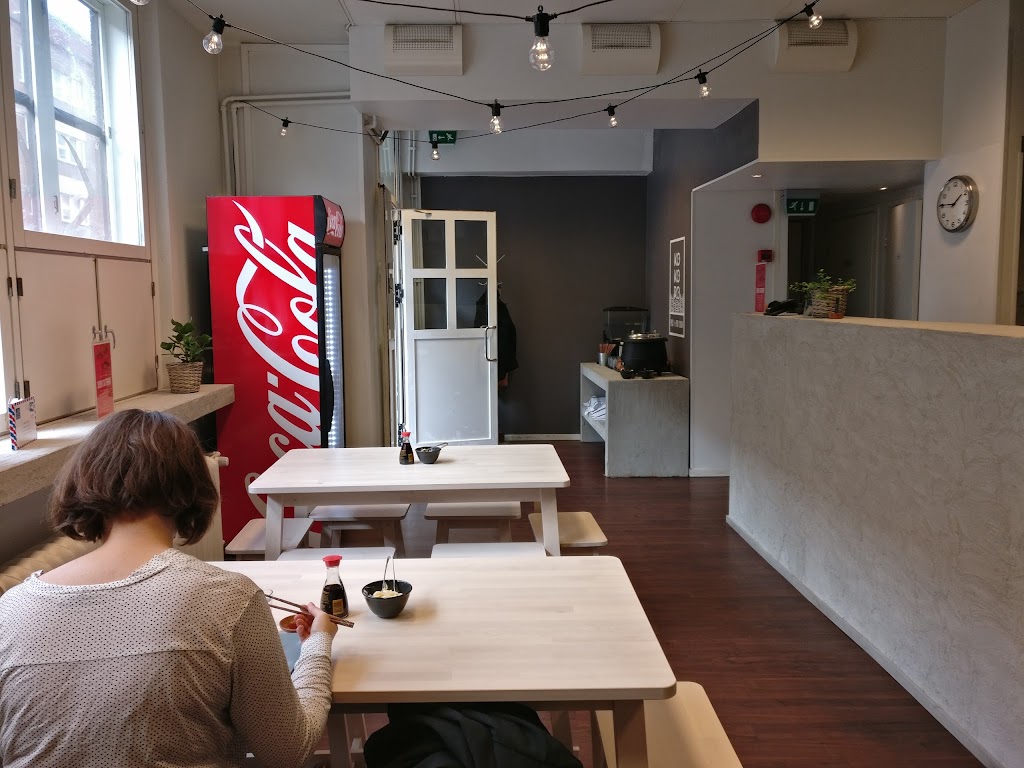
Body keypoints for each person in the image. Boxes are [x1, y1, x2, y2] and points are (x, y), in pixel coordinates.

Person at [0, 409, 336, 768]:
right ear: (193, 488)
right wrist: (318, 644)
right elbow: (289, 751)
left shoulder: (10, 609)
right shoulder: (229, 598)